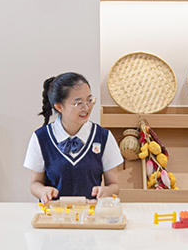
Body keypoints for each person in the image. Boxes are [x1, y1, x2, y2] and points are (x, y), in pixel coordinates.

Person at [25, 72, 123, 201]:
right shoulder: (40, 138)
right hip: (54, 212)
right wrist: (43, 191)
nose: (86, 107)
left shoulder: (103, 137)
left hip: (90, 212)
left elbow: (114, 185)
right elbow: (35, 183)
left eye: (89, 100)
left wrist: (106, 191)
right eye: (79, 103)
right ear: (59, 107)